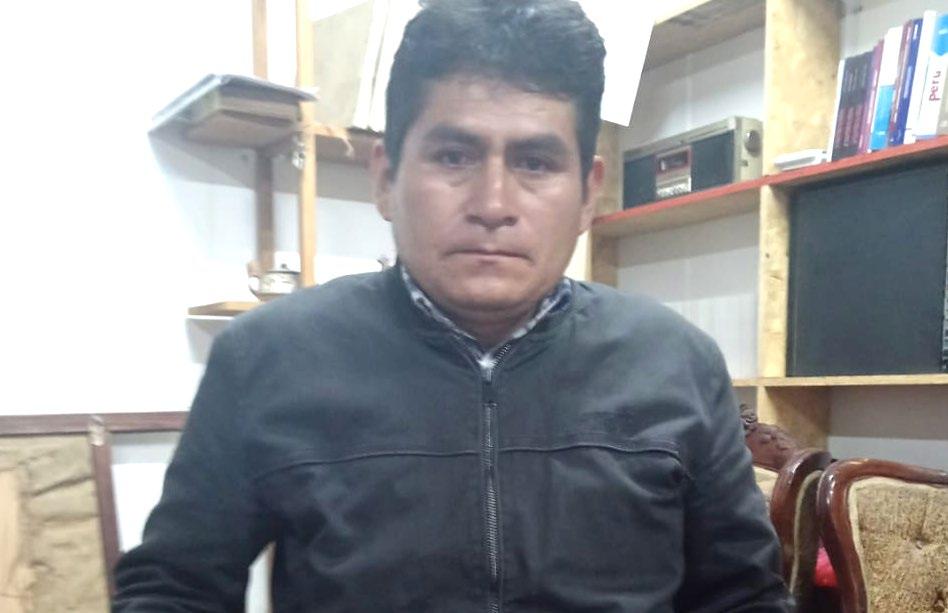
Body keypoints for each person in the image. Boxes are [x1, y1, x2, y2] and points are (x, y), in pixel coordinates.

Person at [113, 0, 791, 610]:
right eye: (453, 156)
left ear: (588, 194)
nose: (493, 204)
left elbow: (743, 597)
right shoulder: (266, 359)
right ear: (387, 176)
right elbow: (175, 590)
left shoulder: (677, 363)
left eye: (534, 163)